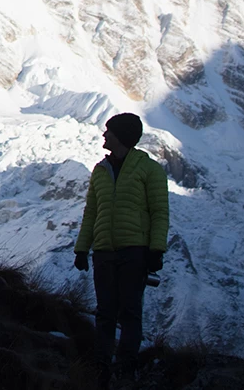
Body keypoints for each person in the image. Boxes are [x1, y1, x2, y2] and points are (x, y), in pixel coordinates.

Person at [73, 112, 170, 384]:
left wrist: (155, 250)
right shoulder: (100, 171)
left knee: (129, 310)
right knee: (105, 311)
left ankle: (126, 365)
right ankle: (102, 365)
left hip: (134, 251)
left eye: (109, 131)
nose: (104, 135)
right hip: (104, 251)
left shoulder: (150, 170)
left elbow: (160, 212)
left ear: (122, 135)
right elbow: (91, 213)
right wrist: (82, 249)